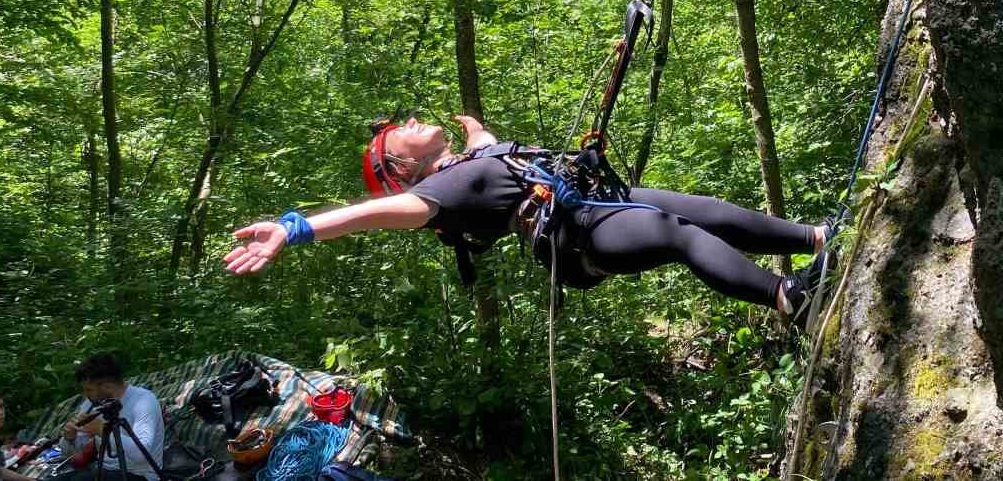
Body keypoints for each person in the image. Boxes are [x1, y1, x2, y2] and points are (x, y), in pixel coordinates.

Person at [224, 115, 838, 329]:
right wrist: (296, 228)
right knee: (677, 233)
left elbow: (490, 152)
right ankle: (788, 298)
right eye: (398, 132)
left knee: (703, 209)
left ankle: (816, 237)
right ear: (400, 166)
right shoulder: (437, 192)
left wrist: (475, 131)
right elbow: (378, 214)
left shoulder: (466, 165)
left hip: (591, 201)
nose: (410, 121)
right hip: (579, 233)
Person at [56, 354, 164, 481]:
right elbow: (69, 453)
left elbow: (141, 455)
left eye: (89, 390)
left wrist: (102, 430)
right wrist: (69, 439)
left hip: (140, 475)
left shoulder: (143, 401)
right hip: (103, 469)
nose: (85, 395)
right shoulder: (93, 403)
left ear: (107, 386)